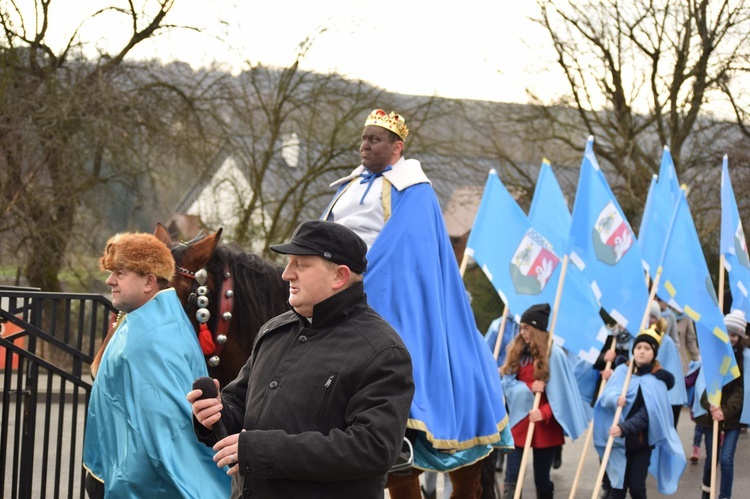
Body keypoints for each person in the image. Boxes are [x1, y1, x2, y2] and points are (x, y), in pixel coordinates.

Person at [322, 109, 510, 498]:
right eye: (363, 138)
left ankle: (404, 436)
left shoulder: (414, 188)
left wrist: (356, 285)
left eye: (374, 139)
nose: (365, 145)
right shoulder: (349, 186)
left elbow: (402, 249)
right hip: (337, 282)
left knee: (395, 349)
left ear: (397, 147)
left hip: (387, 289)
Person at [188, 220, 415, 498]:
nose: (286, 274)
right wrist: (214, 414)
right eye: (288, 263)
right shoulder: (273, 331)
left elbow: (372, 448)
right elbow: (239, 403)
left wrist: (262, 450)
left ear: (339, 277)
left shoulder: (382, 351)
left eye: (301, 264)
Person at [83, 233, 230, 498]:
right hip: (119, 474)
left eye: (120, 272)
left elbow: (168, 433)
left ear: (149, 281)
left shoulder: (154, 338)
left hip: (138, 488)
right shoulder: (142, 321)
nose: (110, 280)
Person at [500, 303, 590, 499]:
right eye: (521, 327)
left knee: (542, 480)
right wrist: (527, 388)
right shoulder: (517, 351)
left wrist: (545, 412)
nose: (522, 332)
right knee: (511, 478)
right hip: (519, 422)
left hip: (544, 426)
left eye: (526, 328)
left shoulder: (554, 355)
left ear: (536, 329)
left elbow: (562, 394)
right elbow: (506, 383)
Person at [593, 325, 685, 498]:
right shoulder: (622, 371)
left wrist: (624, 428)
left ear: (654, 353)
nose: (642, 351)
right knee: (617, 488)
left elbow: (648, 414)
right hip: (617, 444)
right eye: (638, 347)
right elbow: (605, 397)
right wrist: (615, 398)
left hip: (640, 443)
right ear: (633, 350)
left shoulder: (656, 381)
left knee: (636, 488)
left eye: (647, 348)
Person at [696, 310, 750, 499]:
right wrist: (711, 405)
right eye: (727, 333)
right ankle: (706, 492)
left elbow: (742, 390)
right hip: (712, 415)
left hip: (733, 417)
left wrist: (725, 412)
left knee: (726, 459)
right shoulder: (712, 354)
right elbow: (704, 383)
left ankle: (724, 496)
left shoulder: (746, 358)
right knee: (712, 458)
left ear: (740, 336)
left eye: (734, 334)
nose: (730, 338)